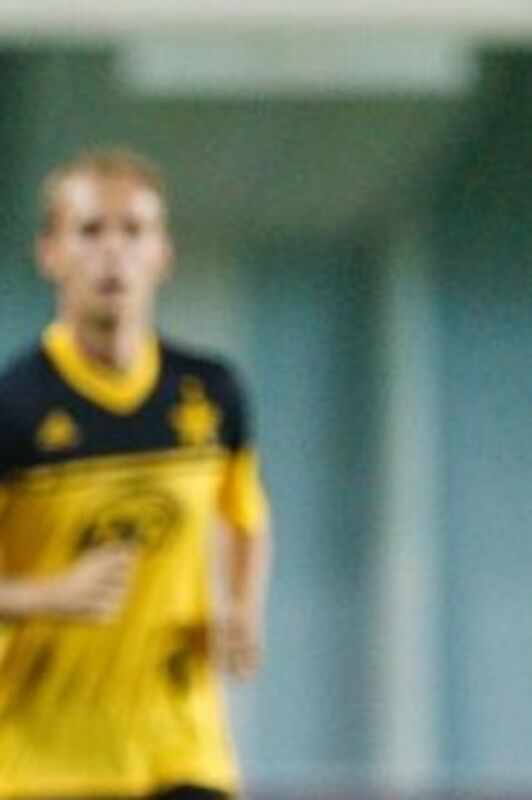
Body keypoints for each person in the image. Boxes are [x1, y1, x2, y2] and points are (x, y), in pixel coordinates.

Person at [0, 148, 272, 800]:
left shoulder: (212, 393)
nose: (113, 252)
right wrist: (48, 595)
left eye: (134, 231)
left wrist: (242, 608)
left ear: (162, 254)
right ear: (50, 253)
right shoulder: (15, 407)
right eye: (90, 231)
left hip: (182, 752)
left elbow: (246, 519)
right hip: (42, 763)